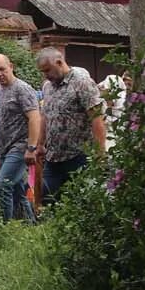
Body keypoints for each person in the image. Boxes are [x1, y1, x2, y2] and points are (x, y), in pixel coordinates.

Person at [35, 47, 106, 205]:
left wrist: (100, 153)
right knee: (49, 201)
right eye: (43, 72)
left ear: (59, 62)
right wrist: (40, 144)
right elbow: (45, 116)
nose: (46, 75)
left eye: (47, 70)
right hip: (53, 157)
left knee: (81, 204)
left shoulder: (82, 82)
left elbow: (96, 118)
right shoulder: (47, 87)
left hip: (78, 156)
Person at [0, 53, 41, 222]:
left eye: (2, 69)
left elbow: (34, 117)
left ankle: (4, 229)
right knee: (18, 190)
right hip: (3, 149)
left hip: (20, 147)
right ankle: (32, 225)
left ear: (11, 66)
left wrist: (31, 148)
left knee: (3, 186)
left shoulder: (22, 89)